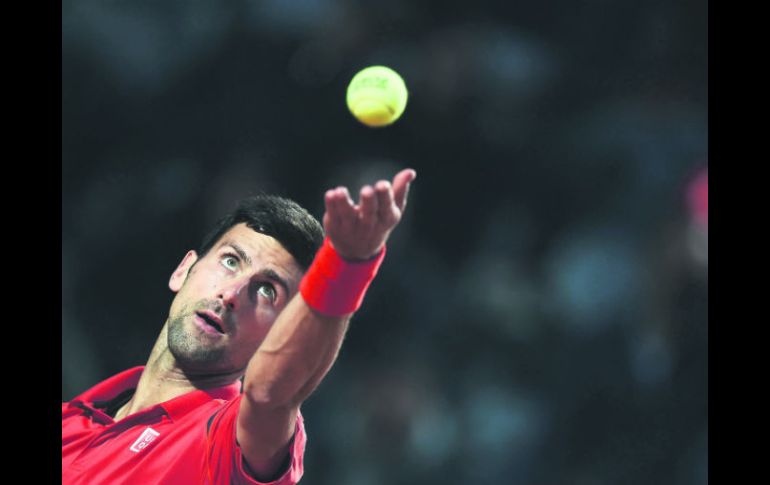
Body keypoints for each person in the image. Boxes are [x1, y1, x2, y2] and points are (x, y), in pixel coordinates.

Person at [62, 168, 417, 484]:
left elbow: (269, 395)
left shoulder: (226, 445)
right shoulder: (73, 419)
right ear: (183, 270)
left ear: (279, 334)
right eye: (230, 261)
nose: (232, 294)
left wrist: (347, 267)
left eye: (267, 291)